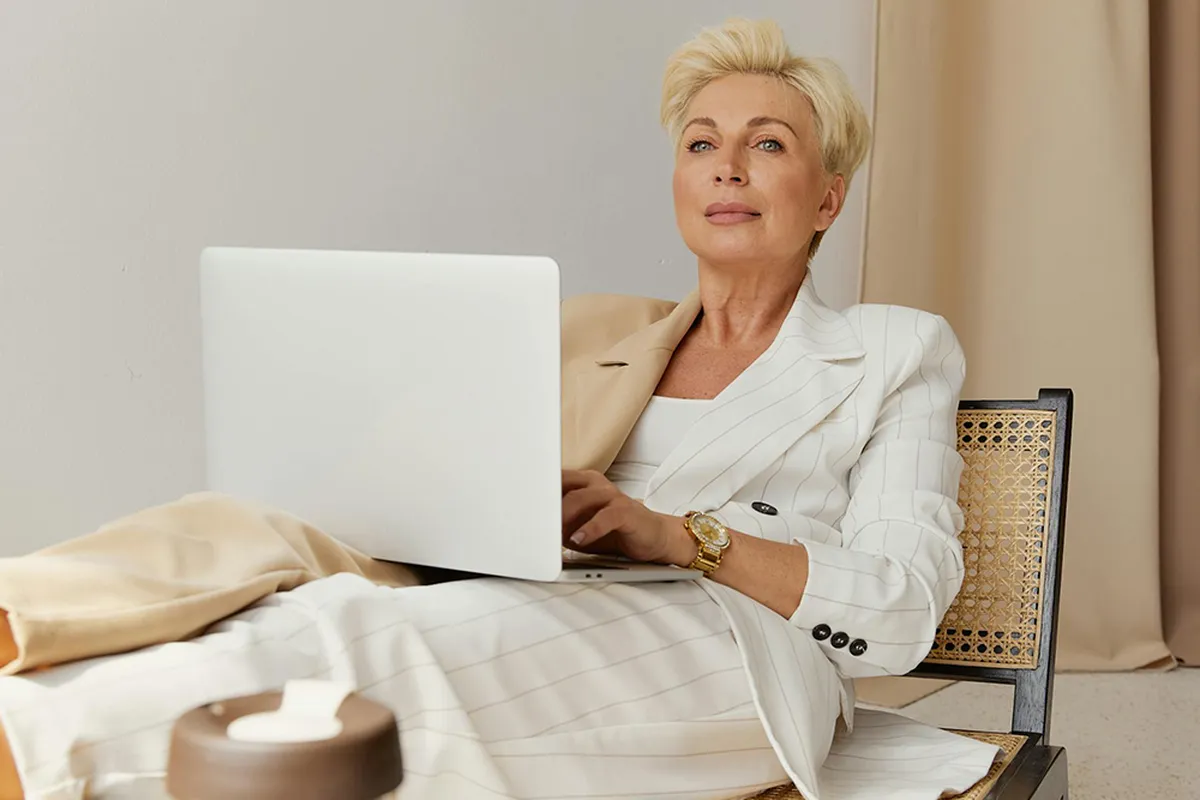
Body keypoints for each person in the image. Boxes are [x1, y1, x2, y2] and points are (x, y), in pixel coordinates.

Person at [0, 18, 998, 800]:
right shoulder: (596, 330)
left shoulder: (895, 349)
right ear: (680, 180)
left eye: (767, 142)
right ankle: (25, 620)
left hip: (733, 648)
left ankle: (28, 748)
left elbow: (906, 603)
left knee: (380, 647)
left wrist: (681, 535)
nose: (727, 164)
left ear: (826, 197)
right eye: (702, 142)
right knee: (298, 585)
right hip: (540, 595)